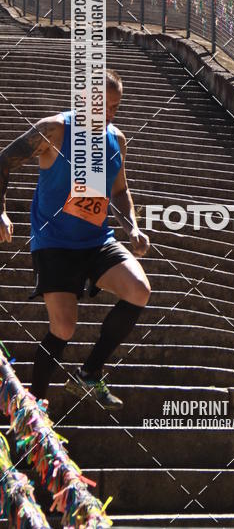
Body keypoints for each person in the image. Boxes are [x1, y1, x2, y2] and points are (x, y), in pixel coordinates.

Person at [0, 70, 151, 410]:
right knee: (64, 327)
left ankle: (90, 372)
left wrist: (132, 228)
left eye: (115, 107)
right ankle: (35, 406)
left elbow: (120, 190)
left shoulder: (117, 139)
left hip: (96, 240)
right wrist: (1, 211)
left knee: (139, 289)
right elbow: (3, 162)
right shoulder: (54, 130)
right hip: (54, 243)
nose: (110, 114)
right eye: (104, 106)